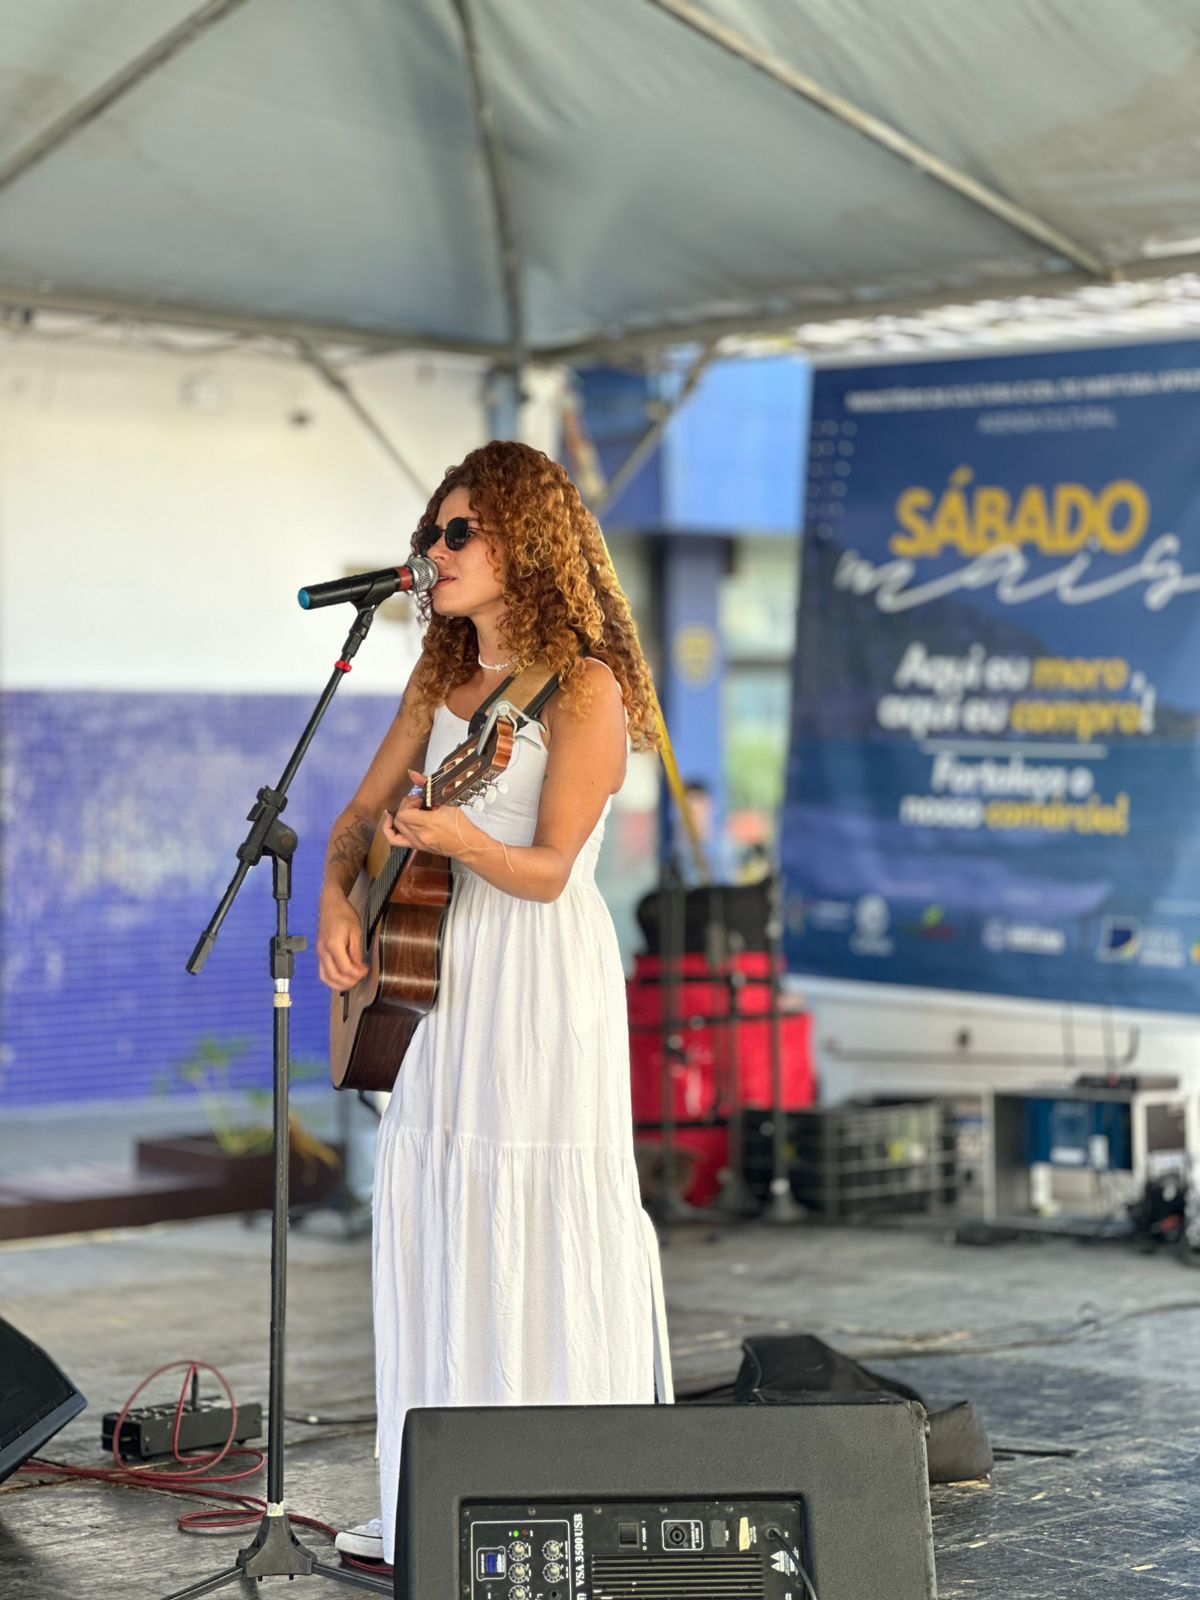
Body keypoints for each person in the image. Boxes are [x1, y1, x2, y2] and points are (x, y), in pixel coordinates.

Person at [316, 440, 672, 1566]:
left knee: (533, 1203)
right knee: (441, 1207)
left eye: (459, 531)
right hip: (434, 979)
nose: (437, 549)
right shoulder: (436, 683)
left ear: (528, 542)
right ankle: (437, 1496)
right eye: (433, 531)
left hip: (538, 981)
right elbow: (357, 821)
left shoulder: (586, 686)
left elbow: (553, 867)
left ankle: (553, 1492)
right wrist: (335, 900)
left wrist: (464, 838)